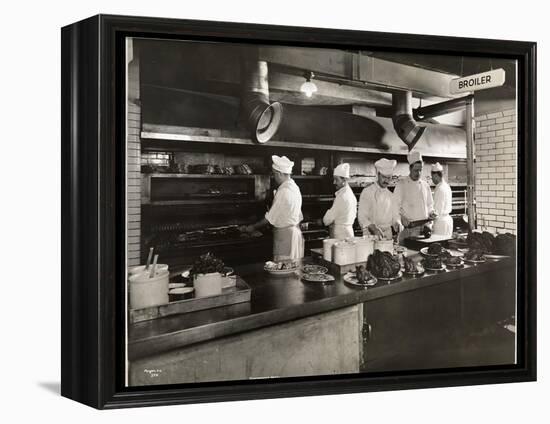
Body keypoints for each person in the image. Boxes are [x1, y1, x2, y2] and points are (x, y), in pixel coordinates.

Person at [241, 155, 304, 261]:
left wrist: (251, 227)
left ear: (279, 173)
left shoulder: (283, 190)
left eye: (274, 174)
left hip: (286, 237)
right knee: (294, 269)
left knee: (283, 269)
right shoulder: (294, 187)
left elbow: (270, 218)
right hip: (295, 234)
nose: (274, 177)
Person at [393, 151, 437, 243]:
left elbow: (429, 205)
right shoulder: (402, 185)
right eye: (416, 170)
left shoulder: (425, 185)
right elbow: (394, 207)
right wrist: (400, 218)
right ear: (410, 168)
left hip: (424, 229)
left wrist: (432, 213)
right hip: (408, 230)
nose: (419, 173)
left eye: (420, 170)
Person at [358, 158, 403, 240]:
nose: (386, 181)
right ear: (378, 174)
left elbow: (395, 215)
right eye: (384, 177)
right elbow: (362, 217)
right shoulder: (367, 192)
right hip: (371, 235)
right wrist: (373, 228)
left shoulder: (391, 195)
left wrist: (397, 223)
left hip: (387, 235)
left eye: (389, 178)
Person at [322, 163, 357, 239]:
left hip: (341, 235)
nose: (334, 182)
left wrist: (326, 218)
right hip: (349, 232)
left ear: (344, 180)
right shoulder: (350, 194)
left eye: (336, 179)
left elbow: (327, 220)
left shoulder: (342, 196)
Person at [431, 162, 453, 237]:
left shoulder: (440, 189)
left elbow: (437, 210)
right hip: (447, 221)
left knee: (439, 245)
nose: (432, 179)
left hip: (440, 222)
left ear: (436, 175)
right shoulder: (446, 186)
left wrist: (429, 222)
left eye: (432, 177)